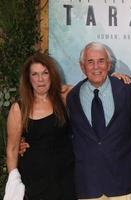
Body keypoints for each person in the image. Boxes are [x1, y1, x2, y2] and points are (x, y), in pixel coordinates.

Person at [66, 42, 131, 200]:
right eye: (90, 62)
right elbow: (67, 133)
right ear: (82, 66)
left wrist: (121, 143)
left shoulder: (126, 89)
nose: (96, 67)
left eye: (101, 61)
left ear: (109, 64)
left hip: (122, 183)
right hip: (88, 185)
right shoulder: (72, 97)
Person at [4, 53, 76, 200]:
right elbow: (12, 149)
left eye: (45, 73)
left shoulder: (64, 97)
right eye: (35, 74)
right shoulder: (19, 109)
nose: (40, 79)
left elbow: (93, 86)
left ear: (52, 74)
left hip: (66, 180)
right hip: (34, 184)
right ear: (28, 78)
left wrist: (114, 78)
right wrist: (14, 183)